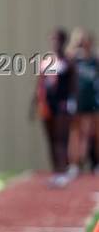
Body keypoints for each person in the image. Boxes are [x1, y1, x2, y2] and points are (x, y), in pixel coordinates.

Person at [36, 28, 77, 187]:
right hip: (48, 104)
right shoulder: (47, 61)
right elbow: (40, 83)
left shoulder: (68, 60)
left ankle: (63, 170)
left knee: (61, 139)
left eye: (58, 39)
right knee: (51, 140)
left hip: (63, 104)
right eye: (52, 39)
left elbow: (74, 84)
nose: (55, 42)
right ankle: (56, 171)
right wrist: (36, 103)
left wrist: (72, 103)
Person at [67, 29, 99, 176]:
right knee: (76, 133)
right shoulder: (74, 59)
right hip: (77, 100)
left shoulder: (94, 60)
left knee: (93, 133)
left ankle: (94, 163)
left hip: (92, 100)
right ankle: (75, 164)